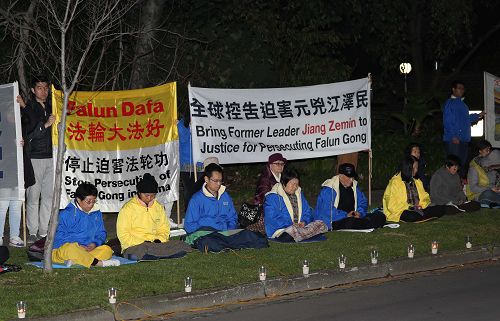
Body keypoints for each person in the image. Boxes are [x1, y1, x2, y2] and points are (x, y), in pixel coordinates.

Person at [184, 163, 268, 251]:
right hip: (207, 233)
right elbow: (189, 226)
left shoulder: (225, 196)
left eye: (220, 181)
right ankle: (227, 243)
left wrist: (228, 229)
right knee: (211, 243)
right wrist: (210, 224)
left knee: (255, 237)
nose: (218, 184)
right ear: (206, 179)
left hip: (226, 232)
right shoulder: (196, 199)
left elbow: (233, 217)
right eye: (215, 181)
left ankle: (228, 243)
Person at [117, 173, 192, 260]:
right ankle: (159, 254)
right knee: (140, 250)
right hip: (136, 245)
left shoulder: (158, 207)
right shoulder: (128, 208)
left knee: (180, 245)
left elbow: (164, 229)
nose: (149, 198)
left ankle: (155, 254)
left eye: (152, 195)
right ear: (139, 193)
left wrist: (159, 240)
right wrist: (143, 242)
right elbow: (123, 235)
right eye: (146, 195)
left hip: (155, 244)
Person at [18, 76, 55, 243]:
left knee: (48, 196)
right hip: (34, 157)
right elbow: (28, 136)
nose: (43, 91)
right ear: (33, 90)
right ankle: (32, 232)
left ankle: (44, 231)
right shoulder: (28, 108)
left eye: (46, 87)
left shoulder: (53, 106)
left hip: (51, 157)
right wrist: (45, 125)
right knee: (33, 196)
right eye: (39, 88)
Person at [52, 183, 120, 267]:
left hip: (88, 250)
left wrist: (94, 244)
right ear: (78, 199)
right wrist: (79, 246)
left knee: (106, 250)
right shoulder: (65, 214)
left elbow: (101, 233)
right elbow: (58, 238)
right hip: (65, 249)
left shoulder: (96, 213)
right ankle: (99, 263)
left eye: (94, 201)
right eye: (88, 201)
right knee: (70, 249)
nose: (91, 204)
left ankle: (76, 261)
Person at [314, 163, 386, 230]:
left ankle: (367, 223)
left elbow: (362, 201)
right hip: (336, 219)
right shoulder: (329, 189)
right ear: (341, 176)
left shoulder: (354, 186)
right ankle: (368, 223)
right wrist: (346, 215)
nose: (351, 180)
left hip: (353, 216)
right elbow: (327, 211)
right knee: (351, 222)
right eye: (348, 177)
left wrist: (359, 213)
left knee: (380, 216)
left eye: (352, 177)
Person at [264, 168, 327, 242]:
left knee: (320, 224)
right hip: (282, 230)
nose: (295, 187)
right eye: (292, 184)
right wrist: (291, 224)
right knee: (290, 232)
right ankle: (303, 234)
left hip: (299, 228)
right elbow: (272, 219)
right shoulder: (272, 197)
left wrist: (304, 222)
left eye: (297, 184)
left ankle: (301, 234)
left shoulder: (299, 194)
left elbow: (308, 211)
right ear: (284, 183)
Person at [442, 80, 485, 178]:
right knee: (453, 164)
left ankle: (459, 186)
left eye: (463, 89)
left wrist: (478, 116)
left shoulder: (463, 105)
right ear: (453, 89)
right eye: (459, 88)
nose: (462, 90)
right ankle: (449, 186)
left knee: (461, 165)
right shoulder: (450, 103)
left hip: (463, 139)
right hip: (454, 140)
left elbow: (465, 119)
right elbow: (448, 121)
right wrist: (453, 136)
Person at [383, 156, 446, 222]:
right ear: (408, 168)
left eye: (417, 167)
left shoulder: (417, 181)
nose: (416, 170)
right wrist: (411, 207)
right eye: (414, 167)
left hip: (419, 209)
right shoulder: (395, 182)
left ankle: (422, 215)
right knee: (411, 216)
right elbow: (391, 206)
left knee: (440, 208)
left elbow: (425, 197)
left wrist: (421, 205)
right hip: (402, 211)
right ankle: (423, 215)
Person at [246, 153, 287, 235]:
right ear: (270, 165)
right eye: (277, 163)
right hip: (266, 210)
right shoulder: (265, 179)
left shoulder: (284, 177)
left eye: (282, 163)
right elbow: (262, 199)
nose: (280, 166)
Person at [178, 108, 203, 211]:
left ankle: (198, 210)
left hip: (199, 162)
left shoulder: (201, 122)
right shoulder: (181, 125)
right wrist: (190, 130)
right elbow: (183, 140)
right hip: (186, 163)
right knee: (189, 190)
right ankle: (189, 211)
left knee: (199, 188)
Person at [466, 140, 500, 207]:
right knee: (488, 194)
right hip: (479, 194)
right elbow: (473, 188)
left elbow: (493, 182)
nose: (489, 152)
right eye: (487, 150)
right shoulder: (474, 167)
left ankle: (494, 202)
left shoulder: (491, 164)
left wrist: (496, 188)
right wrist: (490, 188)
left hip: (492, 190)